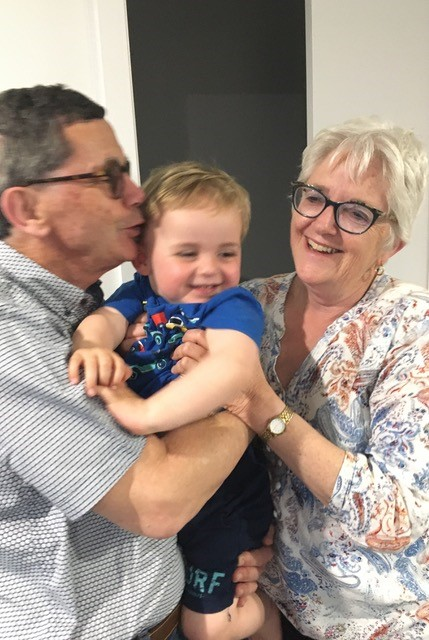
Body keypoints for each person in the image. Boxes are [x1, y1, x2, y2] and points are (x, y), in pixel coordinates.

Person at [0, 84, 271, 640]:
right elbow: (157, 501)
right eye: (108, 177)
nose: (135, 194)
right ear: (27, 209)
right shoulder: (13, 335)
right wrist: (244, 406)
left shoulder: (82, 301)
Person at [197, 116, 427, 640]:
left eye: (355, 213)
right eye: (314, 197)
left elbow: (395, 517)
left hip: (376, 620)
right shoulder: (248, 304)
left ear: (391, 243)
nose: (323, 223)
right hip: (266, 603)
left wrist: (265, 410)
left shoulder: (413, 328)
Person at [68, 160, 279, 640]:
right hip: (166, 479)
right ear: (143, 258)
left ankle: (264, 616)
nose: (210, 269)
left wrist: (143, 412)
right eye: (187, 252)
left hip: (222, 491)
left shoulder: (231, 305)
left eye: (227, 252)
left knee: (205, 626)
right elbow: (101, 321)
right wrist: (91, 346)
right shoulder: (136, 295)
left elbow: (232, 370)